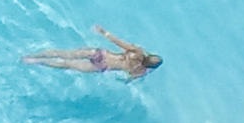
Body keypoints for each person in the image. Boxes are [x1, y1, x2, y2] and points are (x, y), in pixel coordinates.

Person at [24, 25, 161, 80]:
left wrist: (103, 32)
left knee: (64, 54)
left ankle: (33, 56)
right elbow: (127, 79)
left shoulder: (138, 51)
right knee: (66, 64)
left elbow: (118, 42)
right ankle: (35, 62)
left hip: (101, 54)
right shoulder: (140, 72)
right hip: (101, 66)